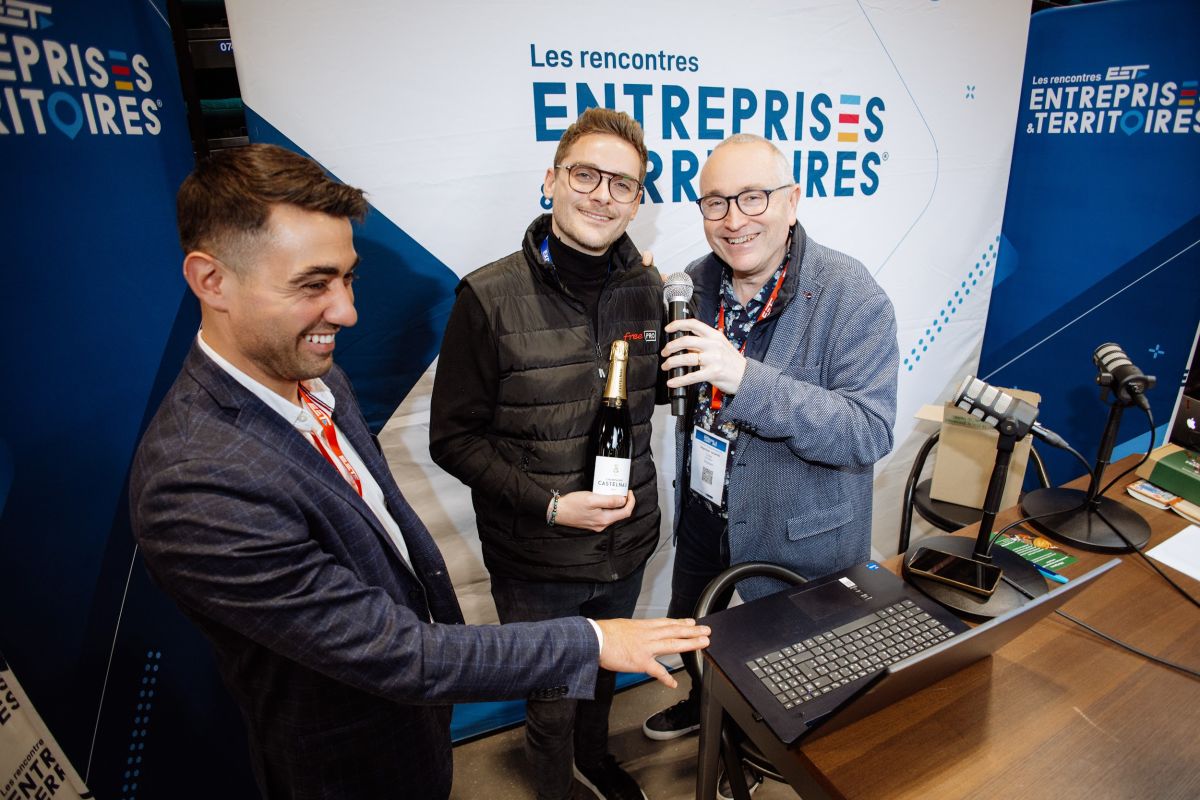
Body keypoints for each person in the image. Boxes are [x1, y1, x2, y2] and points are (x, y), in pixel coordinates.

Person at [128, 143, 710, 800]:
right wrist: (589, 630)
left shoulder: (319, 381)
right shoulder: (195, 483)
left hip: (437, 703)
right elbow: (397, 651)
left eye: (347, 279)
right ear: (211, 281)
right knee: (553, 706)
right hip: (347, 753)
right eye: (313, 284)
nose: (347, 312)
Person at [429, 107, 663, 800]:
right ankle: (556, 786)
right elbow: (452, 439)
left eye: (623, 184)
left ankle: (597, 760)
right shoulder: (487, 296)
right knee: (552, 697)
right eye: (586, 175)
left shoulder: (648, 291)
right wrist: (554, 507)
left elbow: (653, 401)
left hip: (626, 542)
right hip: (536, 557)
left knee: (606, 672)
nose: (602, 195)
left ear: (637, 202)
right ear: (551, 180)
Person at [642, 134, 898, 754]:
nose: (734, 220)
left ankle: (753, 748)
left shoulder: (851, 294)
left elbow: (868, 430)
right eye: (715, 202)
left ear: (792, 201)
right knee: (700, 638)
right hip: (706, 512)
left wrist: (747, 380)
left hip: (800, 538)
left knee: (787, 685)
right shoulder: (693, 284)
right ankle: (705, 703)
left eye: (753, 197)